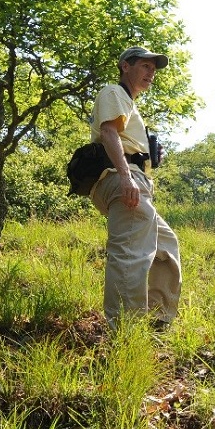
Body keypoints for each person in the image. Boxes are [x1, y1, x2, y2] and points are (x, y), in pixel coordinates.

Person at [88, 46, 181, 330]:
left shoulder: (130, 104)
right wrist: (128, 175)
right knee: (130, 253)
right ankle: (126, 331)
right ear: (125, 66)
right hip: (122, 178)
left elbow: (123, 138)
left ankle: (157, 320)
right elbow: (108, 133)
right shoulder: (113, 93)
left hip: (133, 179)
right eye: (144, 66)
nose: (150, 73)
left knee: (165, 244)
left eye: (153, 69)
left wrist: (148, 158)